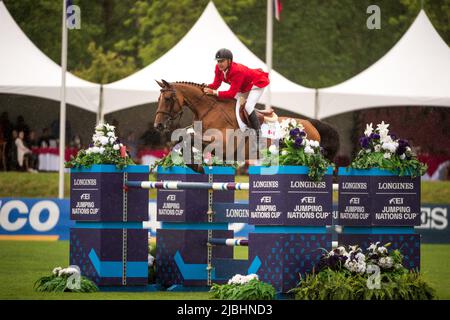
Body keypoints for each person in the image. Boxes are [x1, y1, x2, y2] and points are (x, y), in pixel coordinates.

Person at [203, 48, 270, 134]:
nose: (219, 64)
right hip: (244, 87)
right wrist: (204, 87)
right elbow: (215, 85)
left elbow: (231, 93)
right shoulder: (218, 69)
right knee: (232, 104)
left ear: (229, 61)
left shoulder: (237, 71)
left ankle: (258, 133)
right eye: (218, 61)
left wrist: (215, 92)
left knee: (248, 106)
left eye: (222, 61)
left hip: (257, 83)